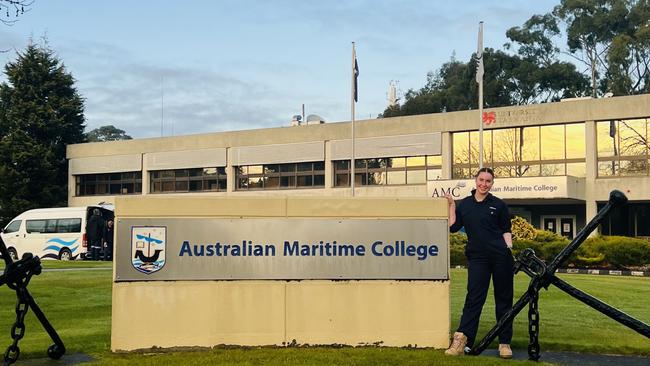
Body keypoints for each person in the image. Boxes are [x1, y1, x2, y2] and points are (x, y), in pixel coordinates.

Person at [443, 167, 514, 359]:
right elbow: (453, 227)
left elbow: (506, 230)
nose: (484, 184)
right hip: (477, 259)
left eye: (488, 181)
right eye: (481, 180)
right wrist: (451, 204)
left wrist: (509, 251)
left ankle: (504, 343)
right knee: (474, 299)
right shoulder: (465, 205)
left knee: (504, 300)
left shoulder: (498, 205)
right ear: (476, 181)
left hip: (501, 258)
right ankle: (463, 341)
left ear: (492, 184)